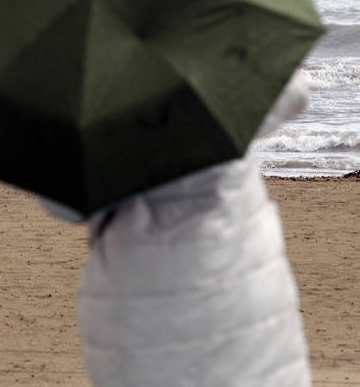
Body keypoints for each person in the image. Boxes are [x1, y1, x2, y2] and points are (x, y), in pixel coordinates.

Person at [43, 72, 313, 386]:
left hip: (133, 298)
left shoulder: (94, 80)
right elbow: (290, 92)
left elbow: (64, 202)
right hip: (234, 268)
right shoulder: (212, 44)